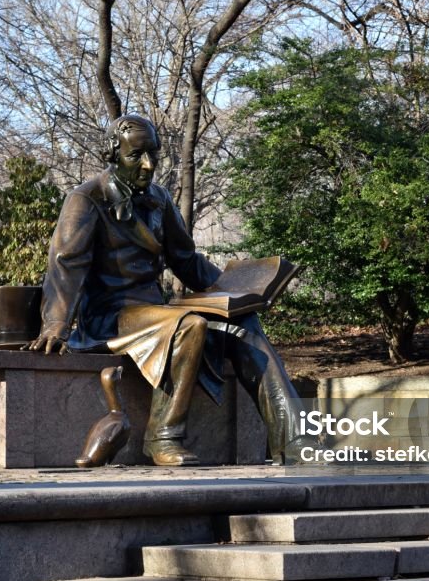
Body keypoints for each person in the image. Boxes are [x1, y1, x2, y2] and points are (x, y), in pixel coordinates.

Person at [26, 114, 312, 466]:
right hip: (110, 317)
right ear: (113, 155)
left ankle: (295, 442)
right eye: (137, 156)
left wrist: (236, 291)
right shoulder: (87, 198)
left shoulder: (159, 199)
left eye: (154, 156)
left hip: (153, 312)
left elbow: (187, 260)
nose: (148, 166)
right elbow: (65, 264)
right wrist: (55, 324)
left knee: (245, 326)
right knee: (189, 325)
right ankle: (162, 437)